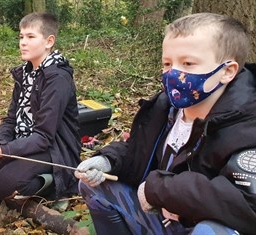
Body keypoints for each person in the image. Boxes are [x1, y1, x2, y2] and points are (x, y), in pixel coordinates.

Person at [75, 13, 256, 235]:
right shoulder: (165, 107)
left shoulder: (247, 126)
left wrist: (158, 189)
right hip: (159, 218)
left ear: (227, 71)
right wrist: (107, 160)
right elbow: (139, 151)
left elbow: (247, 205)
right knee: (94, 186)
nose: (174, 74)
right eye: (167, 63)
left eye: (188, 63)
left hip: (194, 223)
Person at [0, 12, 81, 201]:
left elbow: (44, 136)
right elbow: (12, 119)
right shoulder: (25, 73)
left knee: (6, 182)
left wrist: (4, 151)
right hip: (24, 143)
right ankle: (14, 186)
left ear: (49, 41)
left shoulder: (58, 78)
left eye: (30, 37)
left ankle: (61, 183)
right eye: (21, 37)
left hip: (54, 150)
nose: (23, 42)